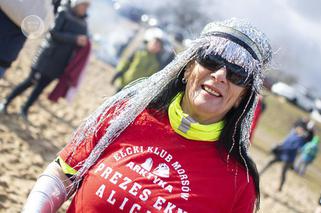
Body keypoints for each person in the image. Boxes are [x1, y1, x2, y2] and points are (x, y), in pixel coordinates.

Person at [22, 18, 272, 212]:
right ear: (186, 69)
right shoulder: (124, 116)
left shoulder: (239, 182)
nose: (220, 75)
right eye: (211, 60)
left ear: (244, 97)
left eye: (238, 74)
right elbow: (62, 173)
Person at [0, 0, 90, 120]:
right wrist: (75, 39)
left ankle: (24, 109)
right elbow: (53, 33)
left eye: (87, 6)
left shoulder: (84, 24)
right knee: (30, 81)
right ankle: (7, 101)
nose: (85, 8)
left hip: (61, 63)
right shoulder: (63, 12)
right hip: (47, 56)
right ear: (77, 4)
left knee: (40, 88)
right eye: (84, 5)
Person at [260, 123, 308, 191]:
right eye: (297, 128)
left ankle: (280, 187)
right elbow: (284, 142)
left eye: (299, 128)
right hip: (281, 154)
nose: (297, 129)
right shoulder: (292, 135)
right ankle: (259, 174)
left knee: (283, 172)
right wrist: (278, 146)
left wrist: (283, 148)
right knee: (270, 162)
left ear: (302, 130)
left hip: (288, 158)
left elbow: (295, 149)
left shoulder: (301, 140)